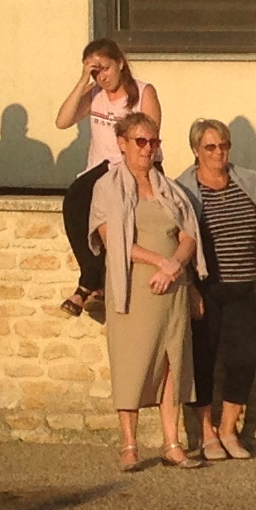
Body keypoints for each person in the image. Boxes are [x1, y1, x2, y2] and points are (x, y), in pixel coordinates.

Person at [88, 110, 198, 471]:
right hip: (134, 285)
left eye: (153, 141)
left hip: (172, 287)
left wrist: (175, 265)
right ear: (122, 143)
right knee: (131, 362)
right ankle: (129, 444)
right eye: (140, 141)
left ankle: (172, 443)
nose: (148, 148)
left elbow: (188, 234)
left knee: (172, 362)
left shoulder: (170, 189)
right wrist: (159, 262)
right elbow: (112, 240)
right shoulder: (107, 187)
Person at [182, 118, 256, 460]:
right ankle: (206, 433)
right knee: (203, 362)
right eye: (210, 147)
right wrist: (191, 288)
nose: (218, 153)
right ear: (196, 150)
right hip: (206, 287)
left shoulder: (246, 180)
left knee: (244, 361)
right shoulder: (184, 189)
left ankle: (228, 429)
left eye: (223, 145)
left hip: (243, 287)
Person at [55, 40, 157, 319]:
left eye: (105, 69)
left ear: (120, 63)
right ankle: (93, 280)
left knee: (87, 199)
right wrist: (82, 82)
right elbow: (62, 121)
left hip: (130, 168)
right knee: (75, 200)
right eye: (95, 71)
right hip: (99, 171)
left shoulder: (143, 92)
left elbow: (150, 138)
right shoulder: (95, 94)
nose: (102, 77)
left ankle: (87, 283)